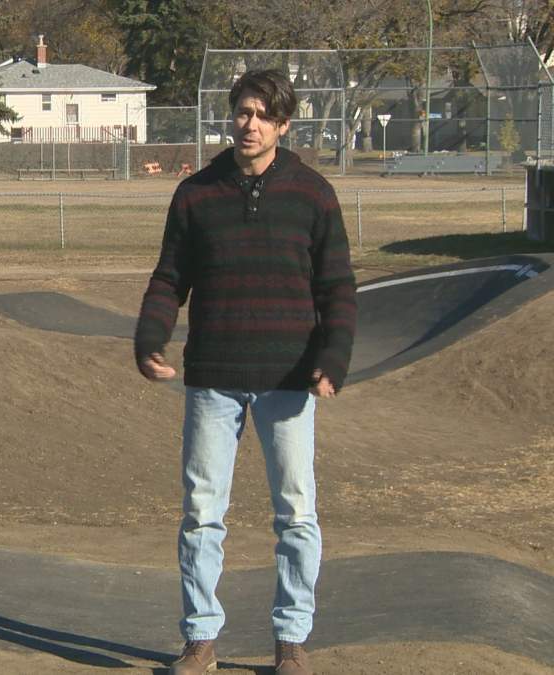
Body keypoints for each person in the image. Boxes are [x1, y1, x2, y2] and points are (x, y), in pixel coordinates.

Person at [134, 69, 356, 675]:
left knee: (296, 512)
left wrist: (332, 359)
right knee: (203, 512)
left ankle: (291, 641)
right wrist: (150, 337)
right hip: (213, 376)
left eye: (262, 114)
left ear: (283, 125)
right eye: (242, 112)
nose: (249, 124)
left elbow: (337, 286)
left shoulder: (312, 194)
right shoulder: (196, 194)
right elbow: (169, 277)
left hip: (289, 378)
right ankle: (200, 640)